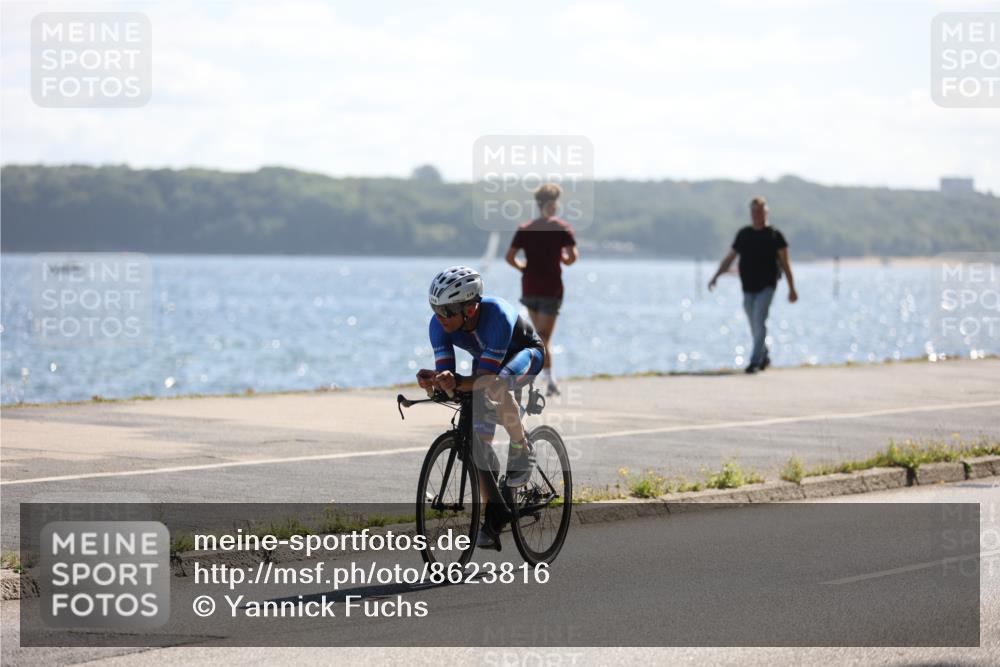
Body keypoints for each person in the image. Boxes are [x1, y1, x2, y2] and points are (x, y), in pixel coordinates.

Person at [415, 266, 545, 549]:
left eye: (447, 311)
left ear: (470, 309)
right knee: (476, 445)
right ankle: (495, 515)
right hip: (487, 362)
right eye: (435, 308)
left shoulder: (496, 315)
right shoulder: (438, 326)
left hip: (525, 355)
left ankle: (522, 446)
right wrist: (437, 382)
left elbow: (486, 379)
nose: (440, 317)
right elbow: (451, 379)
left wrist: (457, 381)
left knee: (496, 385)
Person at [708, 197, 798, 373]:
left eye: (760, 211)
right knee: (754, 323)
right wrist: (716, 276)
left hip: (767, 286)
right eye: (754, 211)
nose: (757, 215)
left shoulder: (775, 235)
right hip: (748, 288)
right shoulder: (744, 234)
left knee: (759, 318)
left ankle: (754, 362)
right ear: (751, 213)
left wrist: (792, 288)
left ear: (766, 213)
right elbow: (730, 257)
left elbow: (786, 264)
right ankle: (763, 354)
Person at [505, 183, 579, 397]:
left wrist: (523, 267)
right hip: (551, 289)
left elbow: (510, 257)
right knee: (544, 337)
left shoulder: (526, 228)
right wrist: (562, 259)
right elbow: (572, 259)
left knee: (539, 336)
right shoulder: (562, 228)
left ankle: (535, 376)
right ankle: (548, 380)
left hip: (530, 287)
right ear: (553, 204)